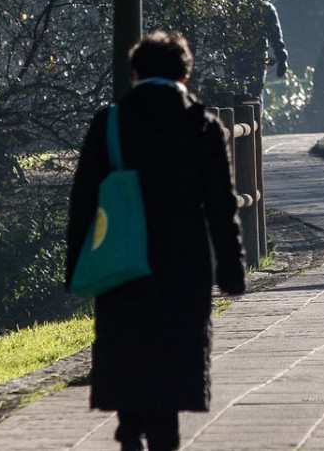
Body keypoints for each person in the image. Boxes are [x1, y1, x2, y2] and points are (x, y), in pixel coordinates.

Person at [65, 31, 246, 451]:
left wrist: (76, 264)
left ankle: (129, 429)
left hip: (122, 260)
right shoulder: (203, 125)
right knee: (172, 359)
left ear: (135, 72)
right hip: (184, 264)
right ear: (186, 74)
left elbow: (84, 200)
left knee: (127, 350)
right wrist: (232, 270)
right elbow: (222, 206)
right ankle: (165, 436)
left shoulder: (110, 121)